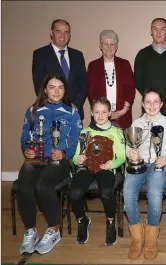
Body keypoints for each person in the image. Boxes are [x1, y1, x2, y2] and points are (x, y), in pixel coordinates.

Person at [18, 73, 82, 255]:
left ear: (65, 90)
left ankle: (53, 230)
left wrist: (64, 153)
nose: (56, 91)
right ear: (45, 90)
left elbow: (76, 139)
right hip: (36, 158)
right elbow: (25, 137)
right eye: (52, 87)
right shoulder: (32, 111)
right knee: (24, 186)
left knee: (43, 186)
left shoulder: (72, 111)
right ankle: (30, 231)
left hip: (58, 160)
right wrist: (26, 150)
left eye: (60, 87)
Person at [123, 88, 166, 260]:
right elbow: (128, 146)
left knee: (154, 192)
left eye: (156, 102)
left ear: (161, 104)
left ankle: (151, 240)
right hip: (139, 165)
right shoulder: (136, 123)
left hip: (160, 165)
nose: (152, 105)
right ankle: (137, 238)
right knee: (128, 190)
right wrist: (131, 154)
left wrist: (165, 158)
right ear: (142, 104)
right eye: (148, 101)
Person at [69, 97, 126, 246]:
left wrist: (112, 163)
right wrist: (78, 160)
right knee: (74, 193)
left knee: (107, 192)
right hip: (86, 167)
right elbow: (76, 157)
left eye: (104, 112)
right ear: (92, 114)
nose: (100, 115)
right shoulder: (85, 131)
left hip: (105, 167)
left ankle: (110, 221)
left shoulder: (117, 131)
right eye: (97, 112)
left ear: (109, 113)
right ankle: (82, 220)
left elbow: (121, 156)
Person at [32, 19, 87, 120]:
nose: (63, 36)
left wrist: (75, 104)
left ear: (70, 35)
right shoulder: (40, 54)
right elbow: (39, 85)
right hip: (50, 113)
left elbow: (83, 84)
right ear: (51, 33)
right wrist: (55, 107)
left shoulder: (78, 55)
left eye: (66, 32)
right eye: (59, 32)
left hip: (74, 113)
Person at [134, 18, 166, 123]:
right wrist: (150, 99)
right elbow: (138, 80)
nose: (158, 32)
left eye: (162, 29)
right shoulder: (142, 55)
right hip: (150, 107)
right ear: (151, 31)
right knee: (148, 137)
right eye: (155, 29)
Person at [87, 30, 136, 129]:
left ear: (116, 47)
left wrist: (124, 109)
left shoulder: (125, 64)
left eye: (112, 44)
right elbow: (91, 92)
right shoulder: (93, 66)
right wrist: (102, 112)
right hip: (100, 117)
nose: (109, 47)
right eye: (106, 44)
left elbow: (131, 89)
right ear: (100, 46)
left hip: (122, 116)